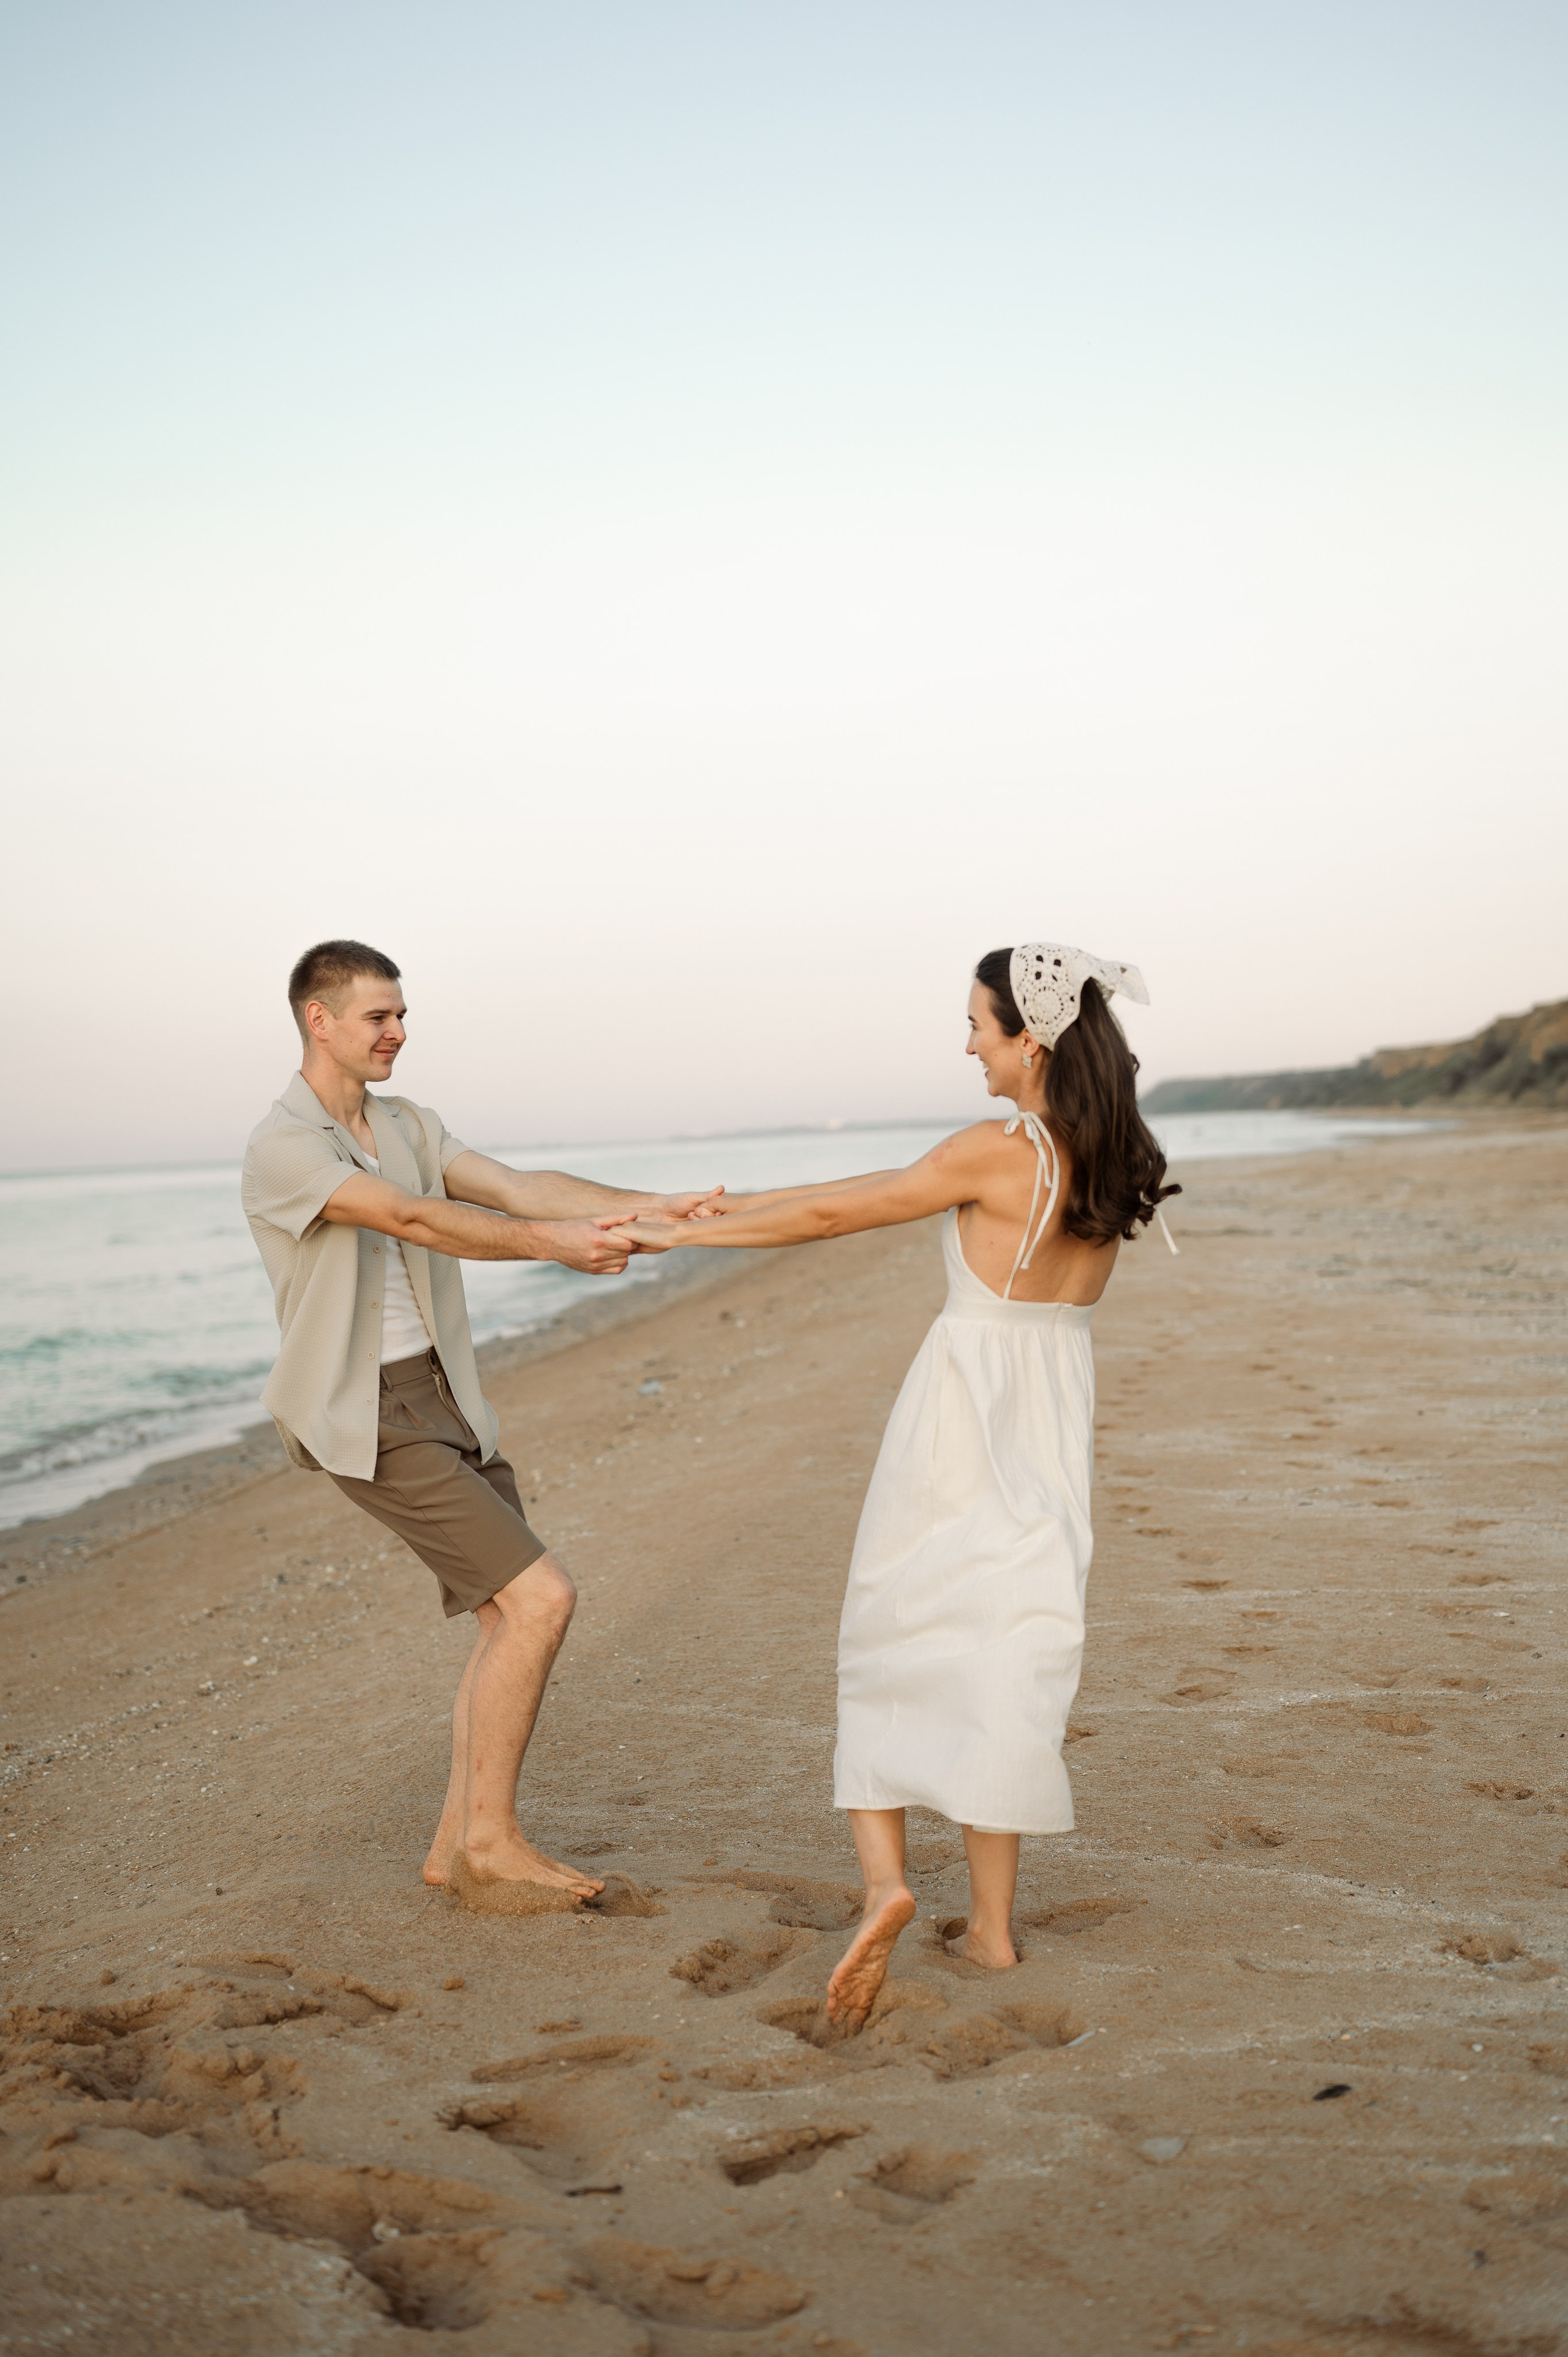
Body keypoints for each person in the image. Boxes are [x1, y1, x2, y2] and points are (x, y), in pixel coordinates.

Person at [610, 942, 1178, 2023]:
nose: (967, 1045)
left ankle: (886, 1888)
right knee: (1008, 1660)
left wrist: (675, 1235)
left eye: (977, 1024)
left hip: (958, 1423)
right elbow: (847, 1194)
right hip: (1052, 1430)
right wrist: (700, 1213)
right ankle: (994, 1934)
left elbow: (840, 1212)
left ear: (1031, 1037)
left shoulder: (1000, 1152)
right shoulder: (1115, 1158)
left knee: (888, 1634)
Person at [241, 939, 720, 1903]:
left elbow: (518, 1188)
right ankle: (492, 1845)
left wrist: (650, 1207)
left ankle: (452, 1843)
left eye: (402, 1014)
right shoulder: (283, 1147)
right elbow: (411, 1219)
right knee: (542, 1601)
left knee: (508, 1615)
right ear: (319, 1021)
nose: (398, 1032)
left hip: (445, 1397)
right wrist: (555, 1249)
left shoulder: (407, 1124)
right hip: (368, 1411)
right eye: (379, 1016)